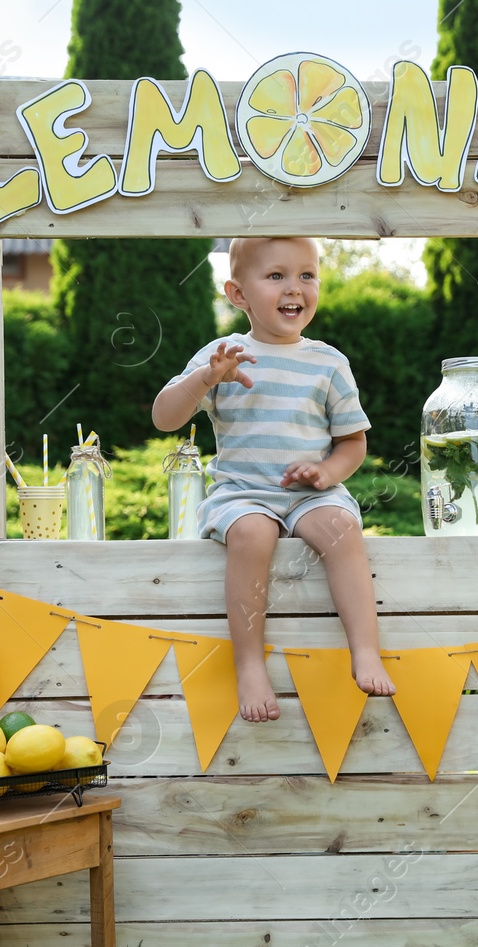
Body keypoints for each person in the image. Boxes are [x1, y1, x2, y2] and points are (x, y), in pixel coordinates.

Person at [152, 236, 396, 723]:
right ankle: (249, 664)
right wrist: (205, 380)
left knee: (342, 529)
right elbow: (164, 418)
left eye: (307, 275)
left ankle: (365, 649)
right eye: (276, 276)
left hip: (311, 494)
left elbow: (353, 443)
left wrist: (326, 471)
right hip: (242, 494)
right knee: (251, 533)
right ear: (238, 295)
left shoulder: (329, 362)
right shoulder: (223, 354)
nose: (295, 288)